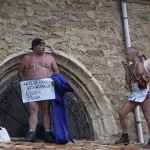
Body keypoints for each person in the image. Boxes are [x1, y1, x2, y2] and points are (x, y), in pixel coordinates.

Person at [18, 38, 59, 142]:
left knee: (46, 111)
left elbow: (56, 70)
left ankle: (47, 133)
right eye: (41, 45)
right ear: (34, 47)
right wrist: (24, 84)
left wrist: (55, 80)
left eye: (44, 45)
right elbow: (20, 71)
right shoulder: (27, 58)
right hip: (32, 88)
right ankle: (32, 132)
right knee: (33, 110)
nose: (43, 47)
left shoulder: (50, 58)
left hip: (46, 87)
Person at [115, 47, 150, 148]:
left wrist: (140, 63)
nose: (126, 56)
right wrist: (126, 69)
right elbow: (127, 82)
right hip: (135, 93)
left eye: (127, 54)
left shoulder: (141, 64)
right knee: (122, 114)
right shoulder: (130, 67)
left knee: (148, 117)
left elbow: (140, 76)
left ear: (133, 53)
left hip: (143, 93)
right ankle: (125, 136)